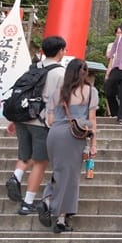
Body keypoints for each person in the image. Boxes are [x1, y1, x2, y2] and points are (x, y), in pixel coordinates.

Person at [6, 35, 67, 215]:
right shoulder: (60, 73)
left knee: (25, 155)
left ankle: (16, 177)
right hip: (41, 121)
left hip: (22, 118)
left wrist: (13, 119)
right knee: (40, 162)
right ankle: (27, 202)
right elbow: (62, 101)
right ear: (61, 51)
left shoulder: (33, 68)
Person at [42, 58, 98, 233]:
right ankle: (52, 205)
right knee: (70, 177)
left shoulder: (57, 92)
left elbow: (50, 120)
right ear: (85, 73)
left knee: (60, 172)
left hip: (54, 135)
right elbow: (92, 120)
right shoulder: (90, 91)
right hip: (73, 136)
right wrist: (93, 144)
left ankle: (58, 213)